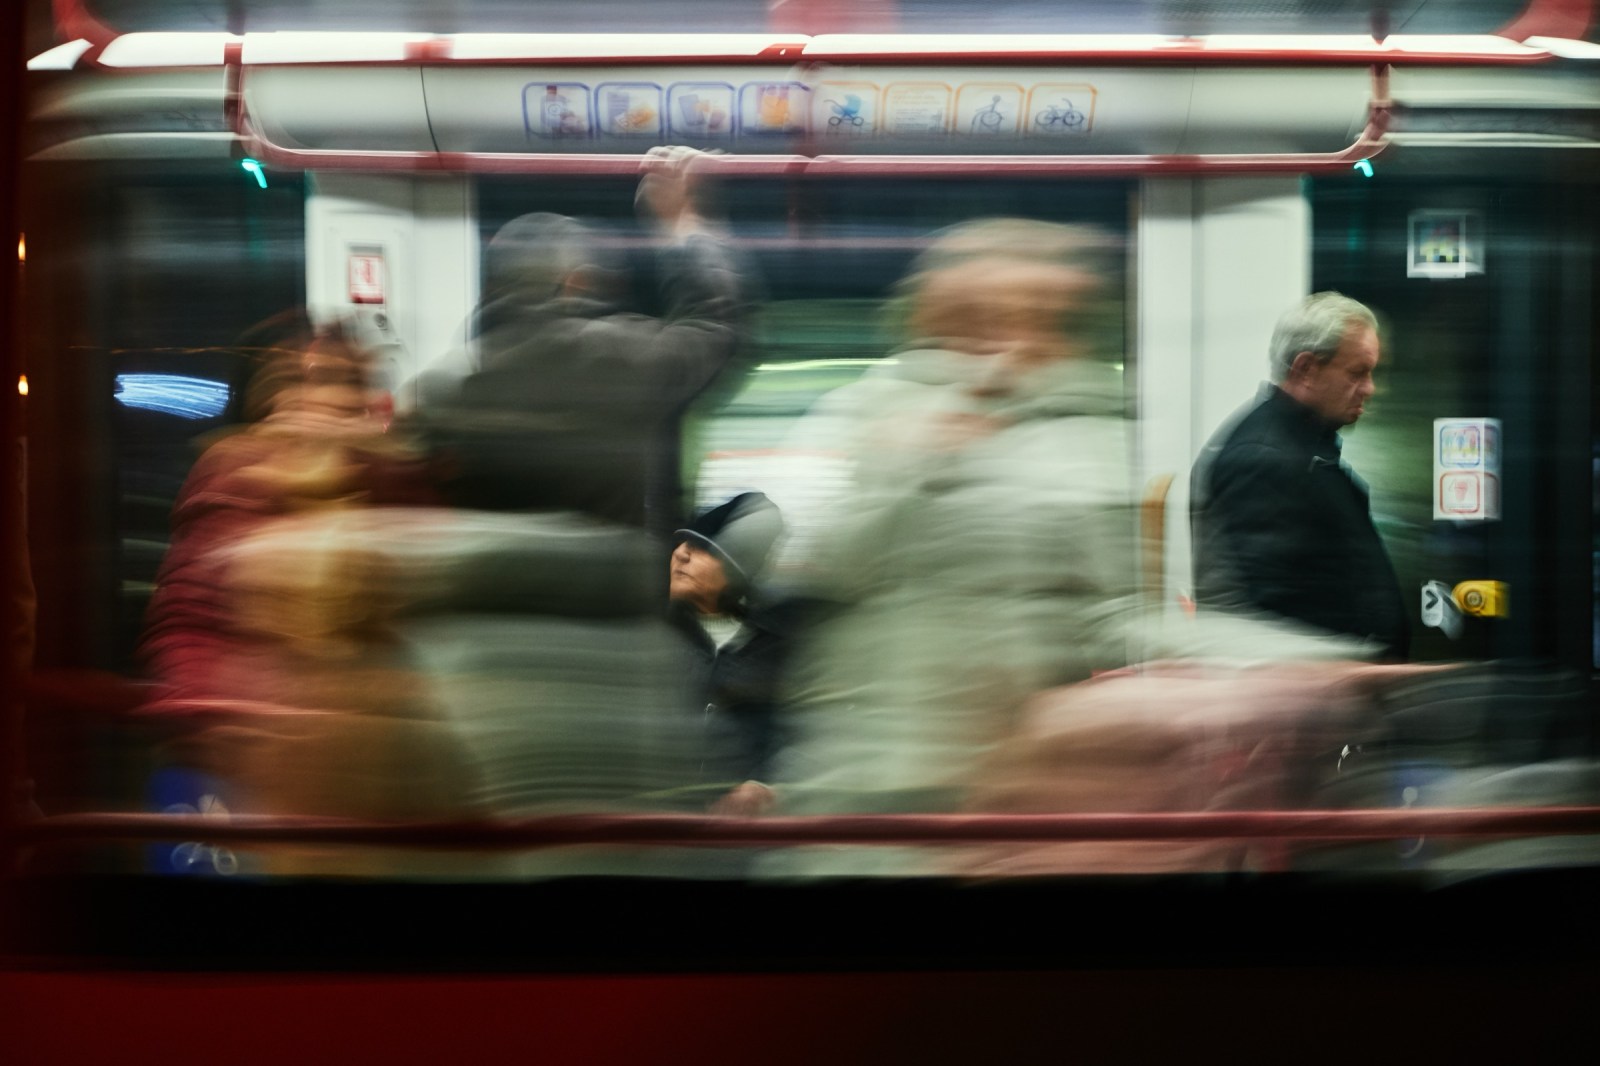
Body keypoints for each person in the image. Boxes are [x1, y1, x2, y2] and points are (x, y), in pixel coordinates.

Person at [767, 220, 1142, 848]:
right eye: (991, 312)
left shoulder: (1083, 429)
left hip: (1025, 772)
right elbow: (811, 562)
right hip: (883, 761)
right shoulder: (873, 406)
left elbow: (1108, 609)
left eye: (1037, 314)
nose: (1012, 333)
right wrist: (922, 454)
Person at [417, 146, 755, 540]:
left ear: (492, 286)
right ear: (575, 282)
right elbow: (716, 329)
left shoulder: (450, 386)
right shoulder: (609, 358)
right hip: (605, 593)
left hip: (481, 590)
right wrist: (686, 224)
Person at [1190, 291, 1409, 660]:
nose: (1370, 389)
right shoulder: (1263, 460)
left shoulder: (1303, 448)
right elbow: (1275, 616)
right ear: (1306, 369)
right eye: (1357, 373)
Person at [666, 491, 792, 813]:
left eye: (701, 548)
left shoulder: (777, 647)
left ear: (737, 571)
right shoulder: (657, 636)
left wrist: (767, 784)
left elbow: (798, 735)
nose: (680, 554)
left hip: (742, 839)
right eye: (681, 543)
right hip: (664, 828)